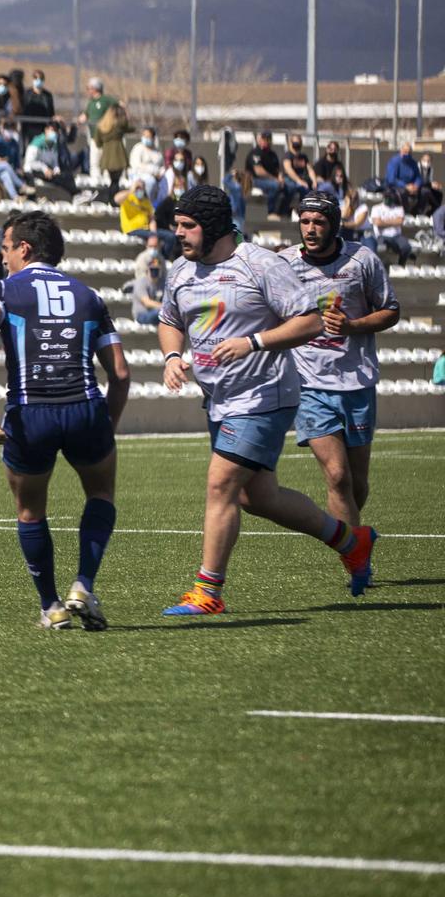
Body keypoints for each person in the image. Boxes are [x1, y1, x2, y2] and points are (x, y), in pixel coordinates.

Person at [155, 185, 376, 616]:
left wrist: (253, 342)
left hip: (265, 395)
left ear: (214, 226)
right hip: (219, 398)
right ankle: (352, 542)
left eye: (187, 226)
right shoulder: (181, 270)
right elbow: (168, 320)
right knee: (257, 498)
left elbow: (310, 322)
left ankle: (208, 591)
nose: (178, 234)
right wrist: (172, 355)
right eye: (177, 225)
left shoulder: (261, 265)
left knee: (221, 483)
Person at [0, 210, 130, 630]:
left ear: (23, 248)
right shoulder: (90, 295)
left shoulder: (3, 289)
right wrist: (104, 428)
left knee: (29, 512)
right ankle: (84, 585)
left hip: (31, 411)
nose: (3, 258)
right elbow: (122, 373)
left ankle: (51, 607)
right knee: (101, 495)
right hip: (86, 407)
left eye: (6, 249)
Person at [279, 192, 400, 535]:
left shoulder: (362, 260)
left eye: (318, 222)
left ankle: (350, 536)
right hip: (309, 383)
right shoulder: (284, 264)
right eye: (304, 222)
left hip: (357, 382)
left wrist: (353, 326)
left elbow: (391, 310)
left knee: (357, 484)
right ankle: (354, 556)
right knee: (337, 475)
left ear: (334, 224)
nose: (311, 229)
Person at [131, 233, 166, 327]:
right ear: (147, 269)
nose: (155, 271)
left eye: (157, 269)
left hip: (156, 311)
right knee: (161, 313)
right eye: (152, 269)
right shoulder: (141, 282)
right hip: (142, 314)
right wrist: (165, 307)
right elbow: (147, 303)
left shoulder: (161, 282)